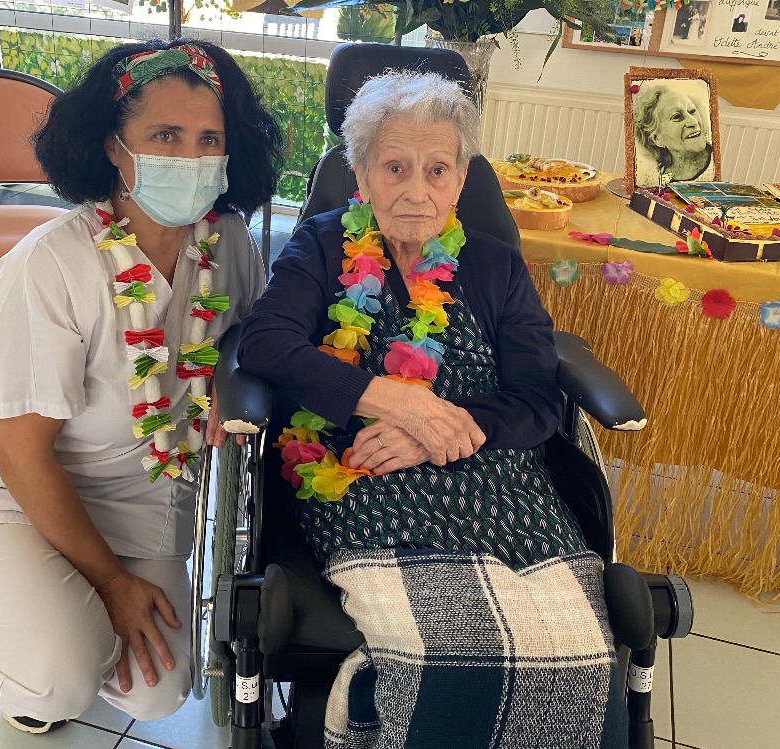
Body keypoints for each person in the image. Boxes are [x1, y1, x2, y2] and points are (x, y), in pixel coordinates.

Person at [238, 72, 627, 748]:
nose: (416, 190)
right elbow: (267, 342)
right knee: (441, 651)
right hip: (363, 470)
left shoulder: (497, 266)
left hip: (497, 475)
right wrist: (387, 397)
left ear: (460, 178)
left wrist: (434, 430)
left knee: (577, 651)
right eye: (394, 166)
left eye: (436, 169)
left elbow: (537, 399)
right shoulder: (322, 246)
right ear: (362, 173)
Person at [0, 39, 280, 732]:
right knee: (58, 677)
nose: (190, 157)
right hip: (14, 490)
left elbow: (250, 335)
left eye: (209, 139)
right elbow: (20, 455)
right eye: (165, 135)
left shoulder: (229, 241)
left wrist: (226, 377)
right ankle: (28, 660)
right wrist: (112, 585)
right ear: (114, 146)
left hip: (141, 495)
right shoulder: (50, 264)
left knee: (159, 692)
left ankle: (66, 621)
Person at [633, 83, 713, 185]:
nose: (694, 122)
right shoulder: (653, 179)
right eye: (677, 116)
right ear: (656, 139)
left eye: (692, 111)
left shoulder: (718, 162)